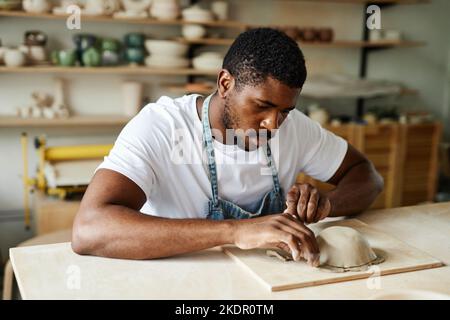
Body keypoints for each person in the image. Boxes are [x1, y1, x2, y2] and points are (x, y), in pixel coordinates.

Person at [72, 28, 383, 266]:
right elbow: (89, 230)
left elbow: (367, 176)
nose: (273, 124)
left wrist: (327, 204)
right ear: (225, 84)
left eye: (285, 111)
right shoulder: (162, 126)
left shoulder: (295, 127)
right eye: (262, 106)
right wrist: (236, 232)